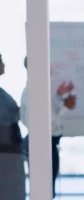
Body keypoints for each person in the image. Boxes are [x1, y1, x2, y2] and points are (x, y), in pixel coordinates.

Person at [20, 56, 76, 199]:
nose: (51, 68)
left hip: (43, 144)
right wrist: (66, 107)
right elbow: (46, 124)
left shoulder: (35, 89)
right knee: (45, 190)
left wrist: (58, 96)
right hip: (43, 145)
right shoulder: (35, 92)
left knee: (46, 189)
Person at [0, 53, 26, 200]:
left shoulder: (2, 93)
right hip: (5, 156)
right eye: (0, 61)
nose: (3, 64)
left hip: (11, 155)